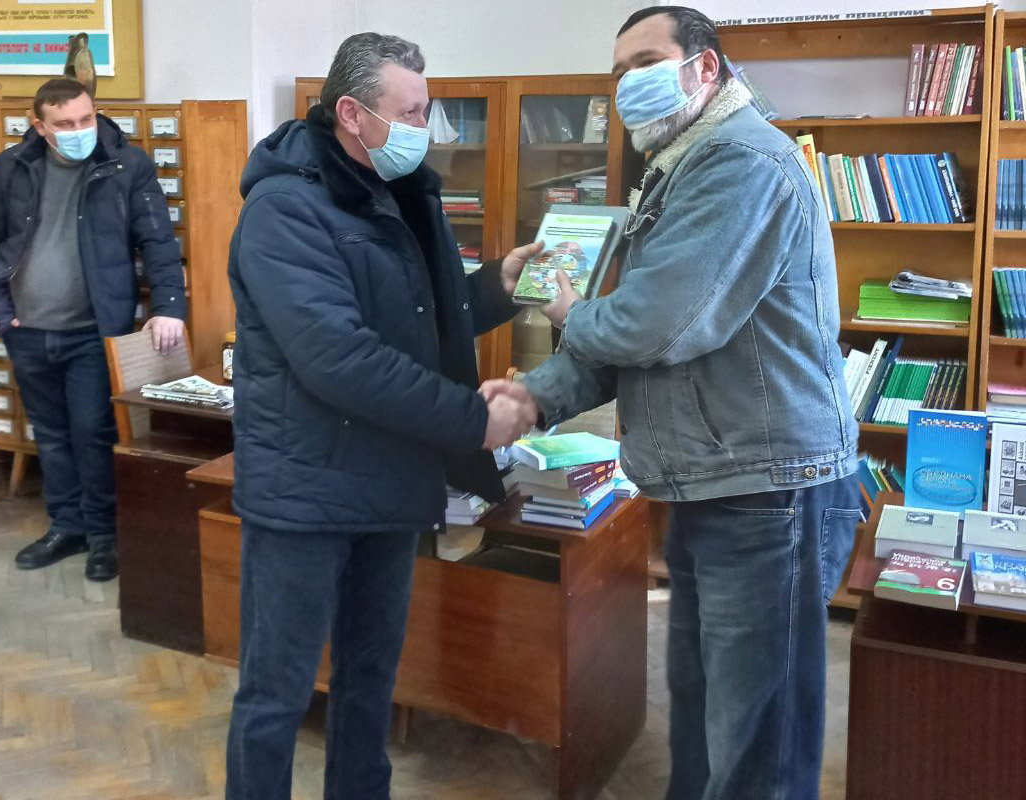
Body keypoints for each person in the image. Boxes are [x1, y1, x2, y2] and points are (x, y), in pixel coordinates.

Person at [482, 7, 862, 800]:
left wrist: (565, 308)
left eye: (647, 62)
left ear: (706, 69)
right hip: (710, 479)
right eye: (618, 71)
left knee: (757, 736)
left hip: (768, 488)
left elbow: (658, 325)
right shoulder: (680, 167)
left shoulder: (740, 163)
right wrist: (531, 397)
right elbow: (632, 342)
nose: (629, 84)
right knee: (701, 704)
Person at [225, 32, 539, 799]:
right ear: (352, 114)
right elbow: (339, 358)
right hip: (306, 493)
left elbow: (423, 317)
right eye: (411, 112)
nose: (425, 129)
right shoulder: (284, 210)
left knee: (370, 680)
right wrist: (472, 419)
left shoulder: (398, 192)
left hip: (390, 482)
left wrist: (496, 286)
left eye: (427, 111)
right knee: (276, 692)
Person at [0, 78, 186, 582]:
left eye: (86, 119)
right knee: (50, 434)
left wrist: (170, 305)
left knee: (92, 432)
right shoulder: (14, 166)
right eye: (64, 124)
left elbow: (157, 240)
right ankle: (66, 526)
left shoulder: (126, 166)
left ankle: (104, 533)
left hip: (91, 329)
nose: (79, 130)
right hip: (27, 328)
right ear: (40, 127)